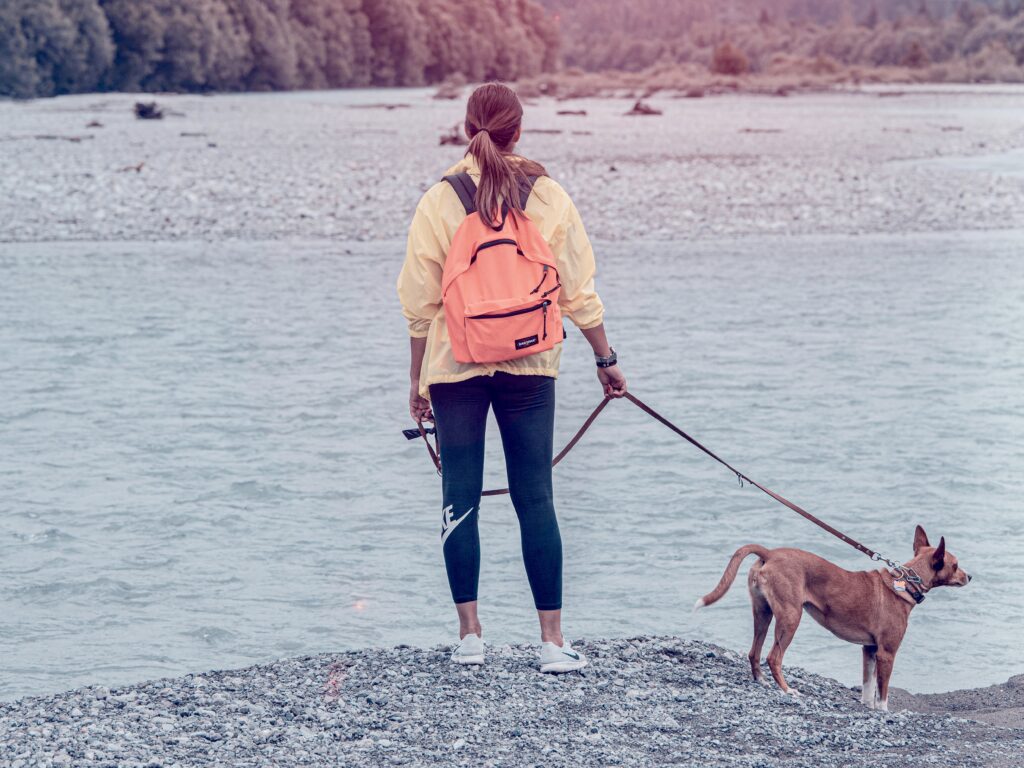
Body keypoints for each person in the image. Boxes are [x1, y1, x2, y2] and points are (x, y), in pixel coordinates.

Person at [397, 82, 627, 673]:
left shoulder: (439, 199)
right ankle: (552, 644)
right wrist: (606, 360)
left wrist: (418, 384)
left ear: (465, 129)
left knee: (460, 498)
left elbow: (420, 305)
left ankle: (471, 637)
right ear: (518, 130)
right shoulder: (547, 195)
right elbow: (578, 291)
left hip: (455, 369)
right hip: (530, 365)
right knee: (535, 497)